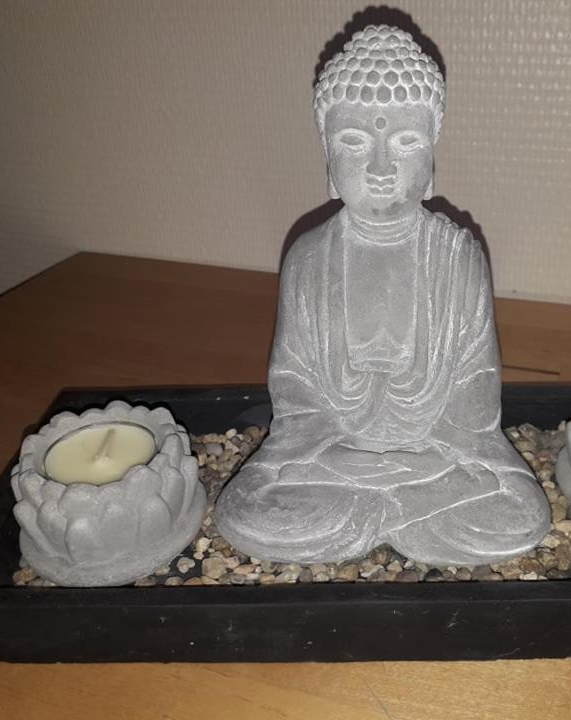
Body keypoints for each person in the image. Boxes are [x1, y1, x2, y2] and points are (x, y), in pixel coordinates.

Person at [215, 25, 550, 565]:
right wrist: (337, 453)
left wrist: (428, 455)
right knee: (249, 508)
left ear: (432, 156)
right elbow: (296, 395)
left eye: (405, 143)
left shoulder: (457, 256)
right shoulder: (308, 258)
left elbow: (475, 399)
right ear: (327, 157)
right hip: (332, 462)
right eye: (353, 142)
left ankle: (375, 519)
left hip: (438, 460)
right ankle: (399, 519)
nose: (380, 169)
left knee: (518, 513)